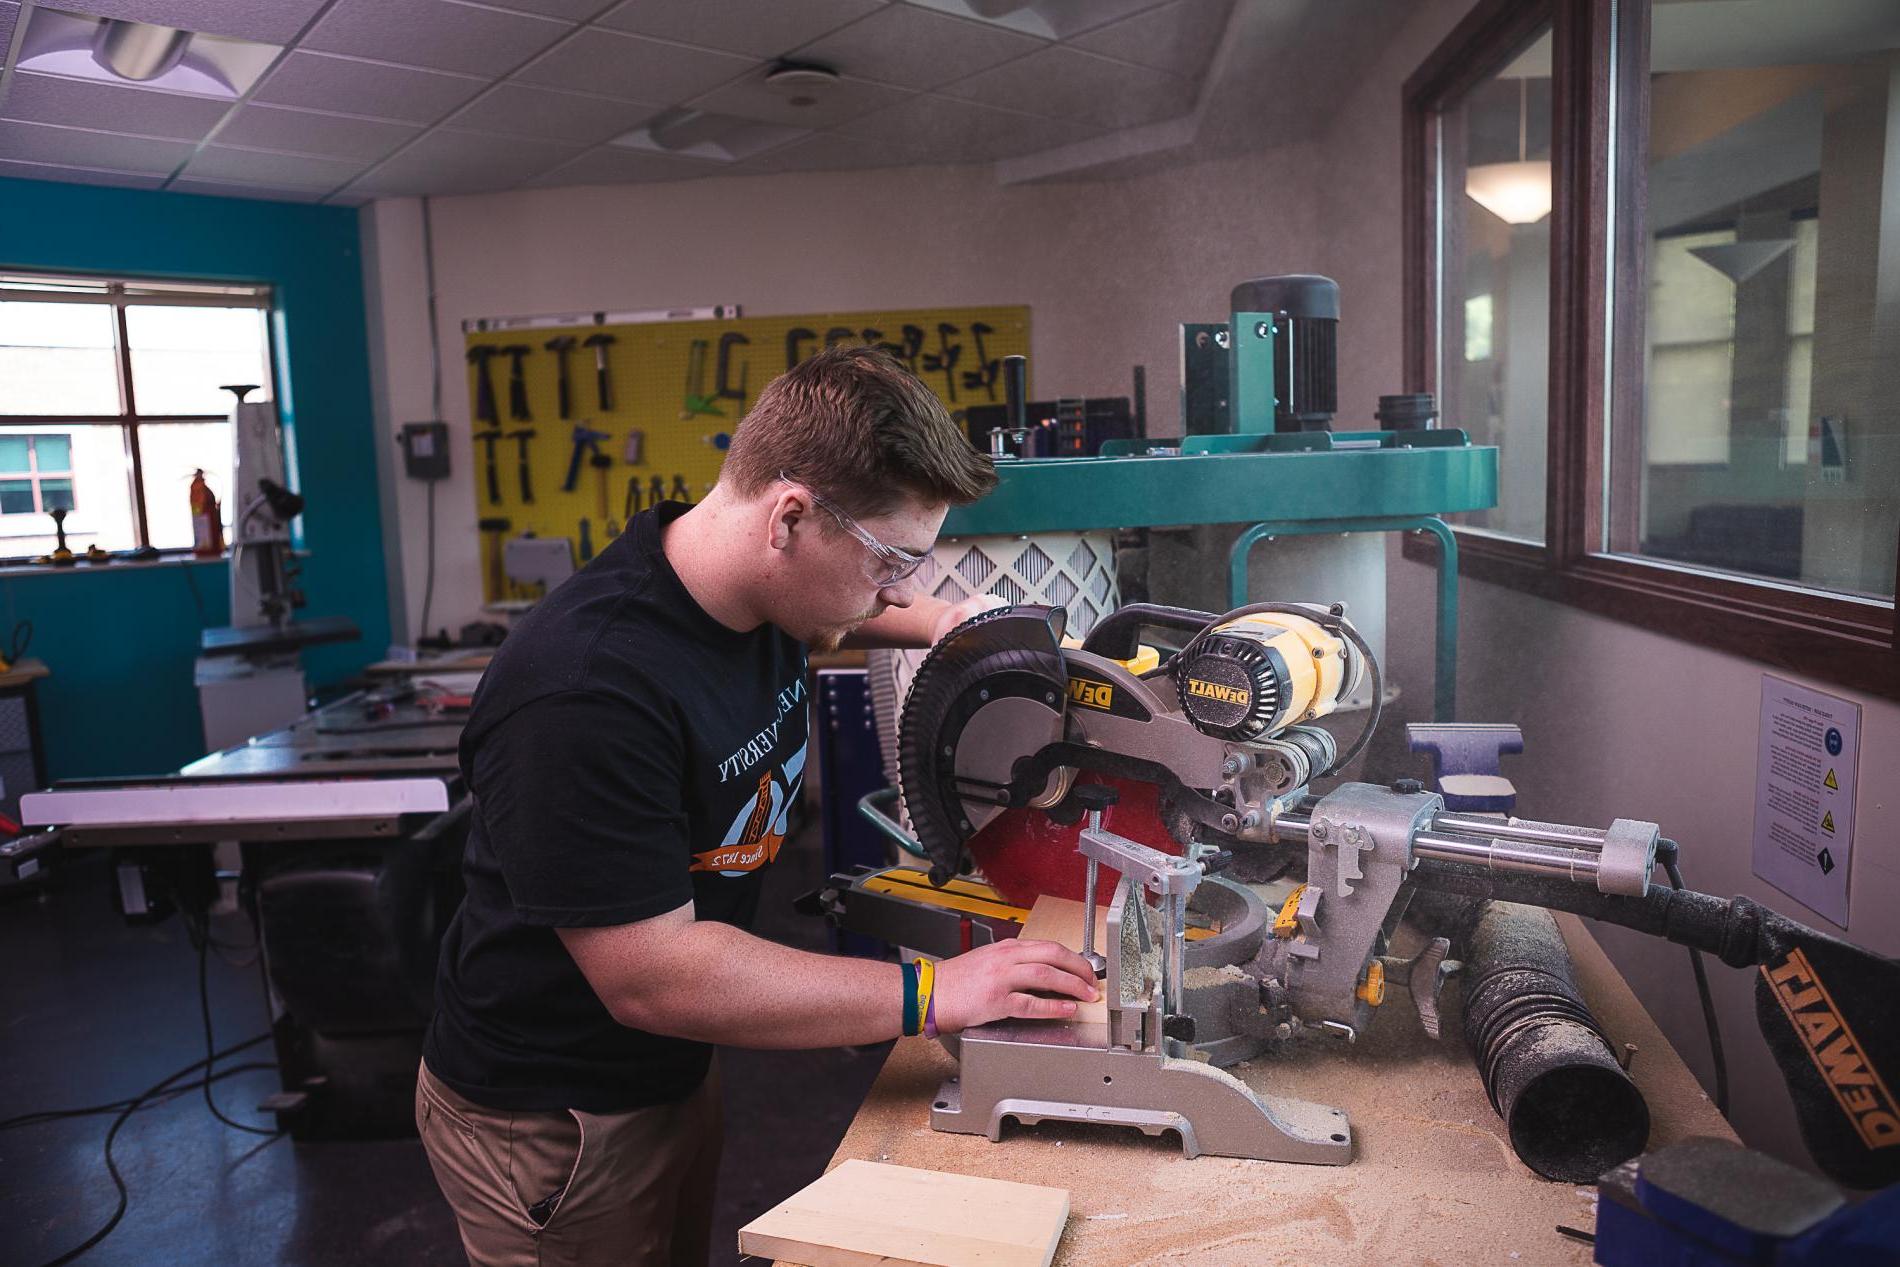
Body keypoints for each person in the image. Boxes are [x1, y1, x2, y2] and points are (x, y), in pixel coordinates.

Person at [416, 346, 1101, 1266]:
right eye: (893, 556)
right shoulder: (586, 692)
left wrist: (944, 621)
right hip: (554, 1113)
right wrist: (935, 992)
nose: (898, 583)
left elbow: (846, 610)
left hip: (670, 1067)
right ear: (789, 517)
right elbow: (655, 975)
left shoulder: (747, 594)